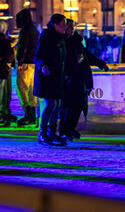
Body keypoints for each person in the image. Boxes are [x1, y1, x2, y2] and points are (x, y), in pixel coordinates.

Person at [60, 18, 109, 141]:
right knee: (68, 106)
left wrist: (100, 64)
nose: (70, 29)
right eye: (68, 27)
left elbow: (87, 55)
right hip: (68, 78)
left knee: (78, 105)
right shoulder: (61, 42)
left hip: (80, 78)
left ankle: (70, 128)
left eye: (72, 27)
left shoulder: (76, 41)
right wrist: (74, 61)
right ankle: (65, 129)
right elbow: (62, 60)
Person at [34, 14, 68, 146]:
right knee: (50, 104)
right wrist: (42, 66)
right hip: (46, 76)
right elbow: (37, 56)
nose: (65, 27)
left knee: (56, 105)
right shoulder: (46, 36)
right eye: (62, 24)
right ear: (55, 24)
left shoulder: (61, 38)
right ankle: (42, 133)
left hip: (57, 75)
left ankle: (53, 133)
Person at [14, 8, 39, 126]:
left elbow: (22, 47)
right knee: (31, 88)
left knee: (22, 87)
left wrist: (19, 62)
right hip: (33, 63)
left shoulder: (25, 29)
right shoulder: (34, 29)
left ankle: (28, 113)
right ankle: (33, 113)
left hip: (25, 63)